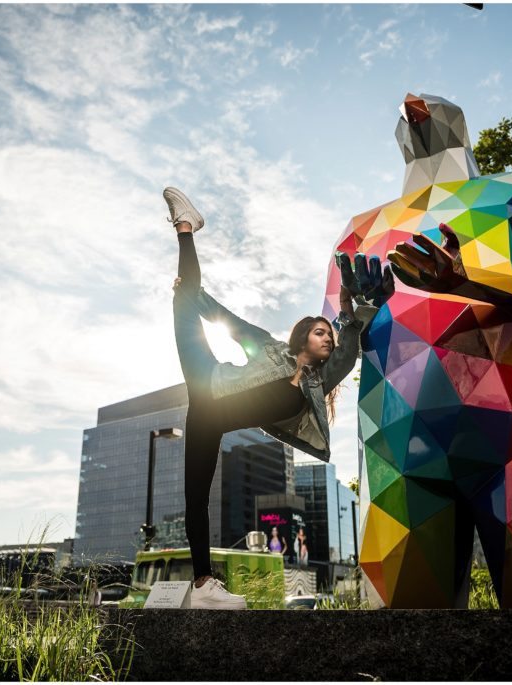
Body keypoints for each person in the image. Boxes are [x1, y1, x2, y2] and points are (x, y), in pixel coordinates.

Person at [163, 186, 390, 609]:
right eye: (321, 332)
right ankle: (186, 226)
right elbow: (230, 323)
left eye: (330, 334)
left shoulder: (318, 382)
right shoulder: (270, 348)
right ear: (303, 334)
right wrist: (194, 296)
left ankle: (202, 586)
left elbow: (349, 344)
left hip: (211, 417)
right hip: (207, 381)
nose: (328, 339)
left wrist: (355, 311)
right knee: (183, 299)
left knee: (197, 496)